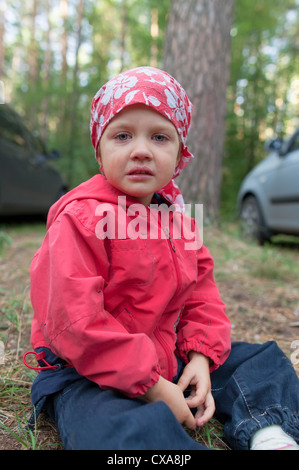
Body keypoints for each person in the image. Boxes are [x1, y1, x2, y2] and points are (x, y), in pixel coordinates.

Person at [25, 66, 299, 451]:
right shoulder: (81, 218)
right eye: (122, 136)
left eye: (159, 137)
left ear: (179, 153)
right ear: (100, 150)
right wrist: (153, 387)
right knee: (116, 430)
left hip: (169, 356)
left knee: (263, 363)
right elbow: (74, 321)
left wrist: (200, 357)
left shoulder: (178, 219)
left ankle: (269, 434)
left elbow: (201, 295)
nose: (141, 149)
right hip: (87, 372)